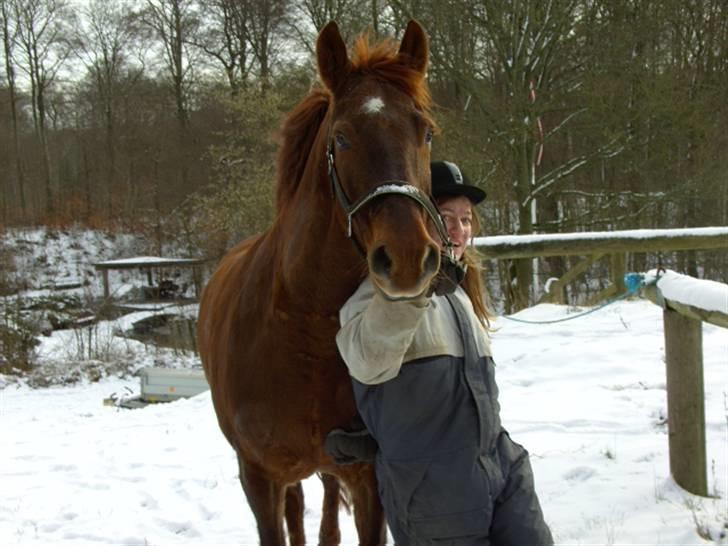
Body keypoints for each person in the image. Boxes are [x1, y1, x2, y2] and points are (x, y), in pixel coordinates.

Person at [326, 161, 553, 545]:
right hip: (432, 493)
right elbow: (367, 362)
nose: (458, 230)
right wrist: (413, 288)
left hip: (501, 471)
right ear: (416, 221)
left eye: (465, 219)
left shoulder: (461, 294)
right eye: (445, 217)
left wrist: (507, 459)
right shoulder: (374, 297)